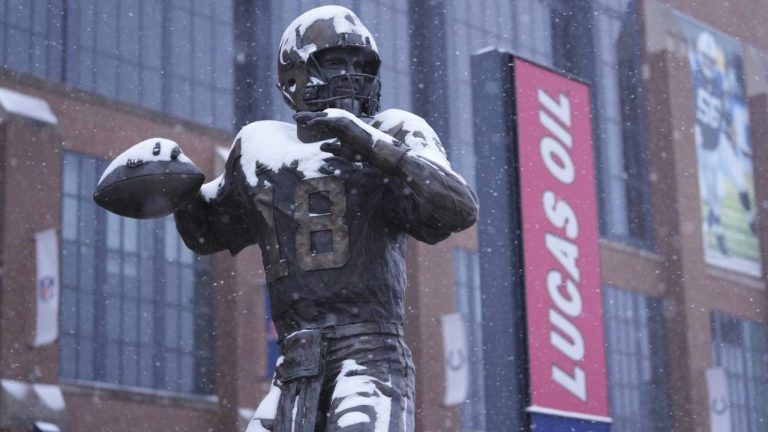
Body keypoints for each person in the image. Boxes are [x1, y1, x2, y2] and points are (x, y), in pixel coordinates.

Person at [172, 6, 478, 431]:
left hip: (370, 356)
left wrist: (375, 148)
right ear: (293, 77)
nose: (351, 76)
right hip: (295, 364)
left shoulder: (394, 130)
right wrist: (174, 186)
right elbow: (206, 233)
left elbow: (460, 206)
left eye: (360, 65)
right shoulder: (258, 146)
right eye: (335, 62)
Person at [690, 30, 756, 256]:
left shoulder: (718, 78)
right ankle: (717, 235)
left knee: (740, 180)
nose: (710, 63)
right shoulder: (694, 79)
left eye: (712, 59)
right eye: (707, 59)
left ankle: (751, 220)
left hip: (719, 140)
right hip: (705, 149)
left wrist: (733, 136)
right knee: (715, 195)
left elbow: (725, 111)